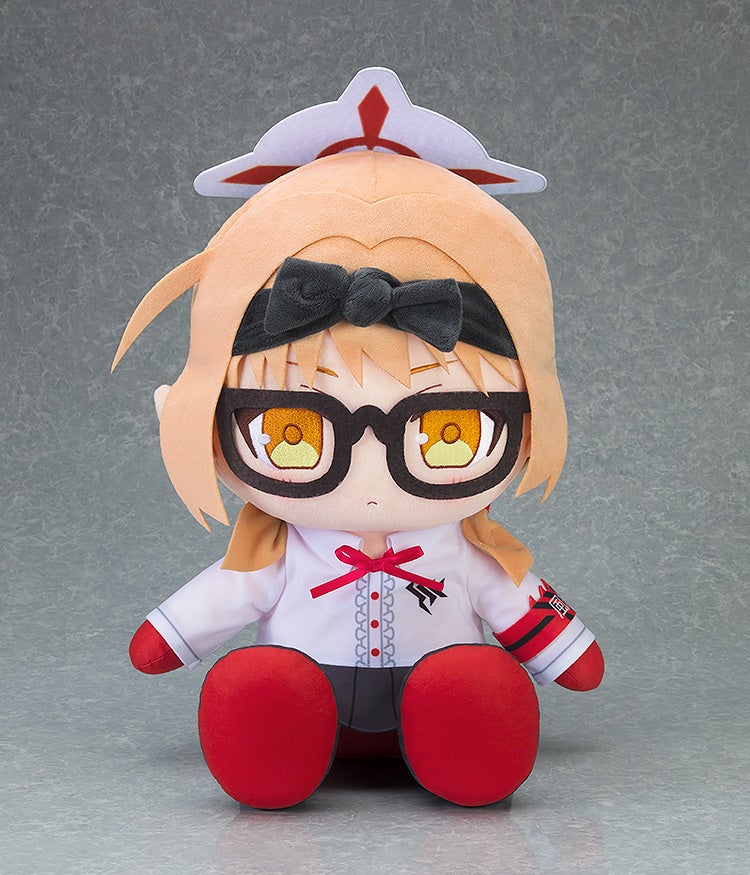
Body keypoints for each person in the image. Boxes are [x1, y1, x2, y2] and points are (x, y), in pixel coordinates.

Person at [115, 150, 604, 810]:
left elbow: (542, 626)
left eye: (449, 429)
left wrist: (562, 653)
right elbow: (211, 606)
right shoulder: (274, 555)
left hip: (441, 692)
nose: (370, 469)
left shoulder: (468, 553)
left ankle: (467, 730)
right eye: (293, 430)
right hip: (305, 694)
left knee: (472, 682)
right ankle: (273, 730)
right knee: (266, 683)